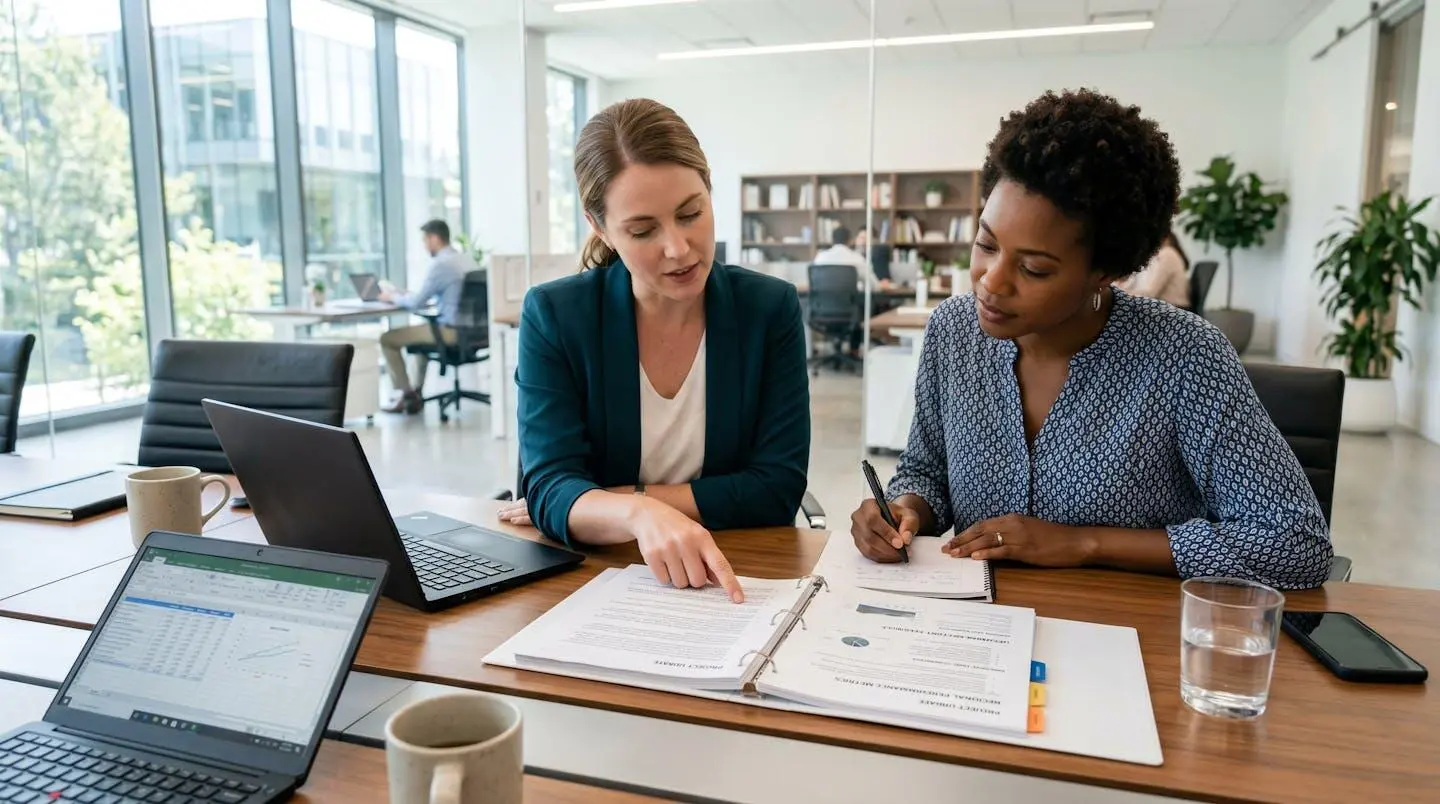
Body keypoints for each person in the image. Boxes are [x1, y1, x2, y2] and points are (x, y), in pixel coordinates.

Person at [848, 89, 1332, 590]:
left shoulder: (1185, 354)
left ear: (1108, 270)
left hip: (1129, 636)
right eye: (986, 243)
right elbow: (927, 473)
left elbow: (1295, 543)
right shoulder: (953, 330)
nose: (990, 281)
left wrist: (1083, 543)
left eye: (1034, 268)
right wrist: (903, 511)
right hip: (982, 633)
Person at [498, 98, 811, 602]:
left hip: (735, 573)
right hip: (600, 580)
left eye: (692, 214)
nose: (679, 249)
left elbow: (775, 490)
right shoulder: (557, 315)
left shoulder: (767, 309)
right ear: (600, 227)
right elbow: (551, 488)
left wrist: (614, 499)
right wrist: (640, 514)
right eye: (643, 230)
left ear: (710, 191)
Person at [377, 219, 476, 414]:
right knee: (420, 342)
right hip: (473, 331)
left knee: (387, 339)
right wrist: (406, 294)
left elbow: (416, 303)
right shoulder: (466, 260)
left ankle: (406, 395)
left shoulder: (441, 265)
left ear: (434, 238)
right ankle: (415, 393)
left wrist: (391, 296)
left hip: (449, 331)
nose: (424, 246)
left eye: (424, 240)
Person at [1115, 229, 1190, 308]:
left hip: (1173, 308)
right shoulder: (1167, 254)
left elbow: (1152, 293)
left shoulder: (1168, 254)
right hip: (1167, 306)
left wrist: (1119, 293)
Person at [813, 226, 881, 286]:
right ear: (850, 241)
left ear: (832, 240)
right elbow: (874, 285)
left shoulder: (820, 257)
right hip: (849, 300)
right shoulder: (858, 259)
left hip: (823, 300)